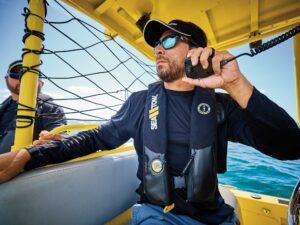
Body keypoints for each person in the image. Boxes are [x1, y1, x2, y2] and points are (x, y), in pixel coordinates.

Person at [0, 20, 299, 225]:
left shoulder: (221, 107)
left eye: (169, 40)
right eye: (157, 43)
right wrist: (29, 155)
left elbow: (290, 146)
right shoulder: (140, 102)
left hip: (216, 218)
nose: (158, 48)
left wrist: (236, 84)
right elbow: (96, 138)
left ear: (195, 50)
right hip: (157, 215)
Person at [0, 60, 67, 153]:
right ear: (6, 78)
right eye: (16, 74)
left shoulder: (51, 108)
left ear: (41, 83)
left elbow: (61, 134)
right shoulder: (3, 108)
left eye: (32, 74)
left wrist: (53, 138)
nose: (23, 78)